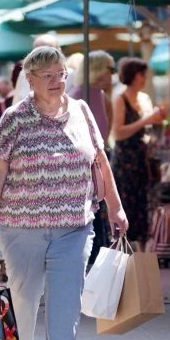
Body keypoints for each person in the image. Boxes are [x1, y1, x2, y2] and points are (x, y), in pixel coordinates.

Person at [0, 46, 128, 340]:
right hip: (20, 225)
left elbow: (100, 162)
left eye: (61, 73)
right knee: (24, 295)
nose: (57, 81)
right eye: (48, 75)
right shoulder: (14, 118)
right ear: (30, 80)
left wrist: (116, 207)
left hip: (74, 223)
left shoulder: (82, 110)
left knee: (66, 296)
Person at [111, 57, 165, 251]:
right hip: (126, 161)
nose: (145, 78)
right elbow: (118, 132)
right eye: (142, 74)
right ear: (134, 76)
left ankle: (142, 260)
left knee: (143, 208)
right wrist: (146, 120)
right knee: (126, 206)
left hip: (142, 160)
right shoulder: (120, 99)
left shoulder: (144, 99)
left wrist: (158, 120)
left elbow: (150, 129)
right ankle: (122, 258)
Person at [69, 51, 116, 266]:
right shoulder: (81, 97)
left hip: (89, 169)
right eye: (110, 68)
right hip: (87, 171)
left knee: (94, 223)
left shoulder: (90, 96)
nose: (113, 74)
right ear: (98, 69)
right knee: (93, 222)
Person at [12, 34, 61, 105]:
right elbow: (18, 100)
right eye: (39, 53)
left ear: (59, 51)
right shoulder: (25, 73)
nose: (43, 57)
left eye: (49, 52)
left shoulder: (69, 73)